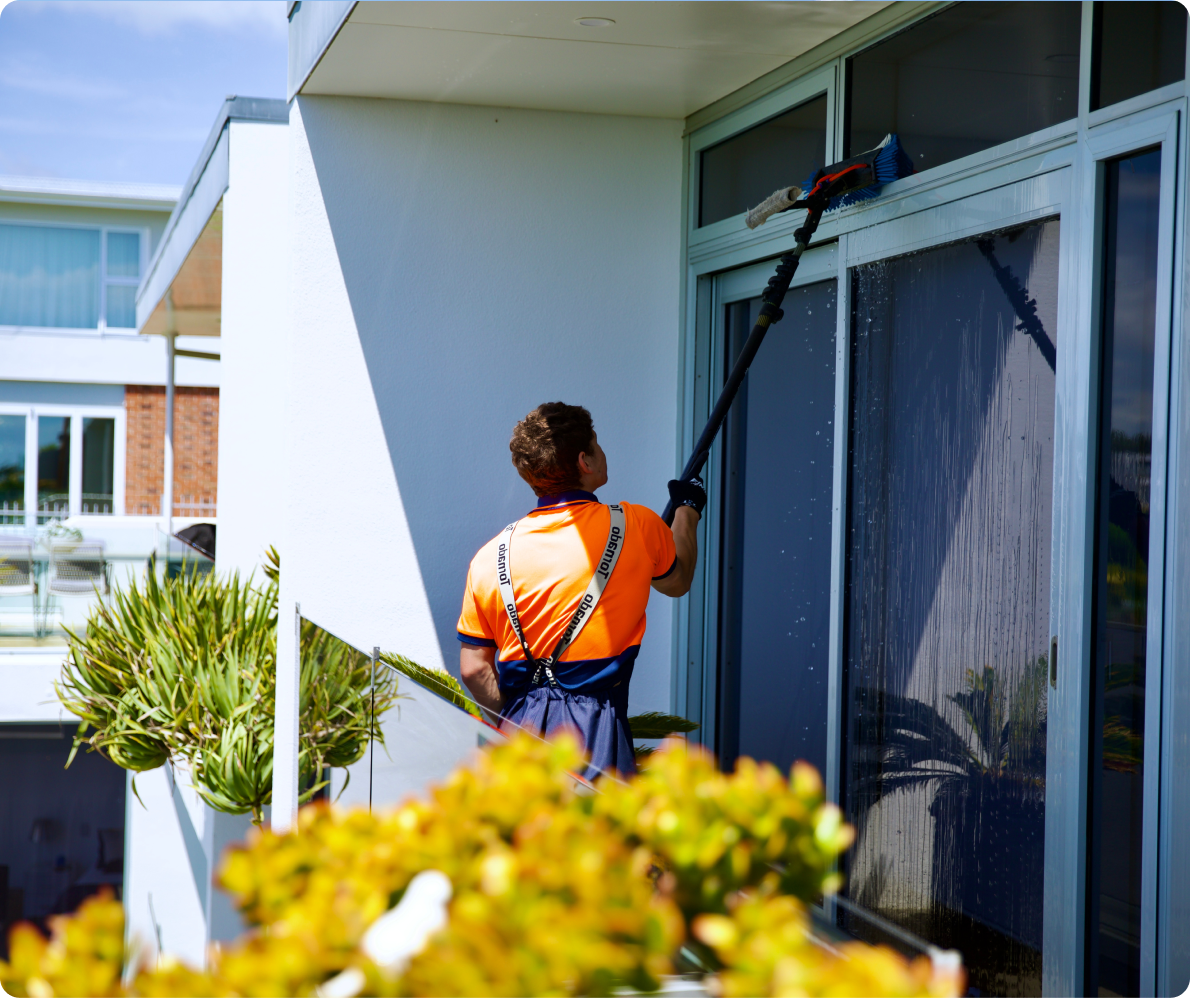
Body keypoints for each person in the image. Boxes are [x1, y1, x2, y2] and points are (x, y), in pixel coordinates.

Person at [456, 401, 705, 777]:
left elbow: (474, 669)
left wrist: (528, 714)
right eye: (597, 443)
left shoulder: (490, 556)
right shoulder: (636, 524)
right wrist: (687, 507)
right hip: (594, 732)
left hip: (515, 737)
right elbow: (678, 579)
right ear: (585, 461)